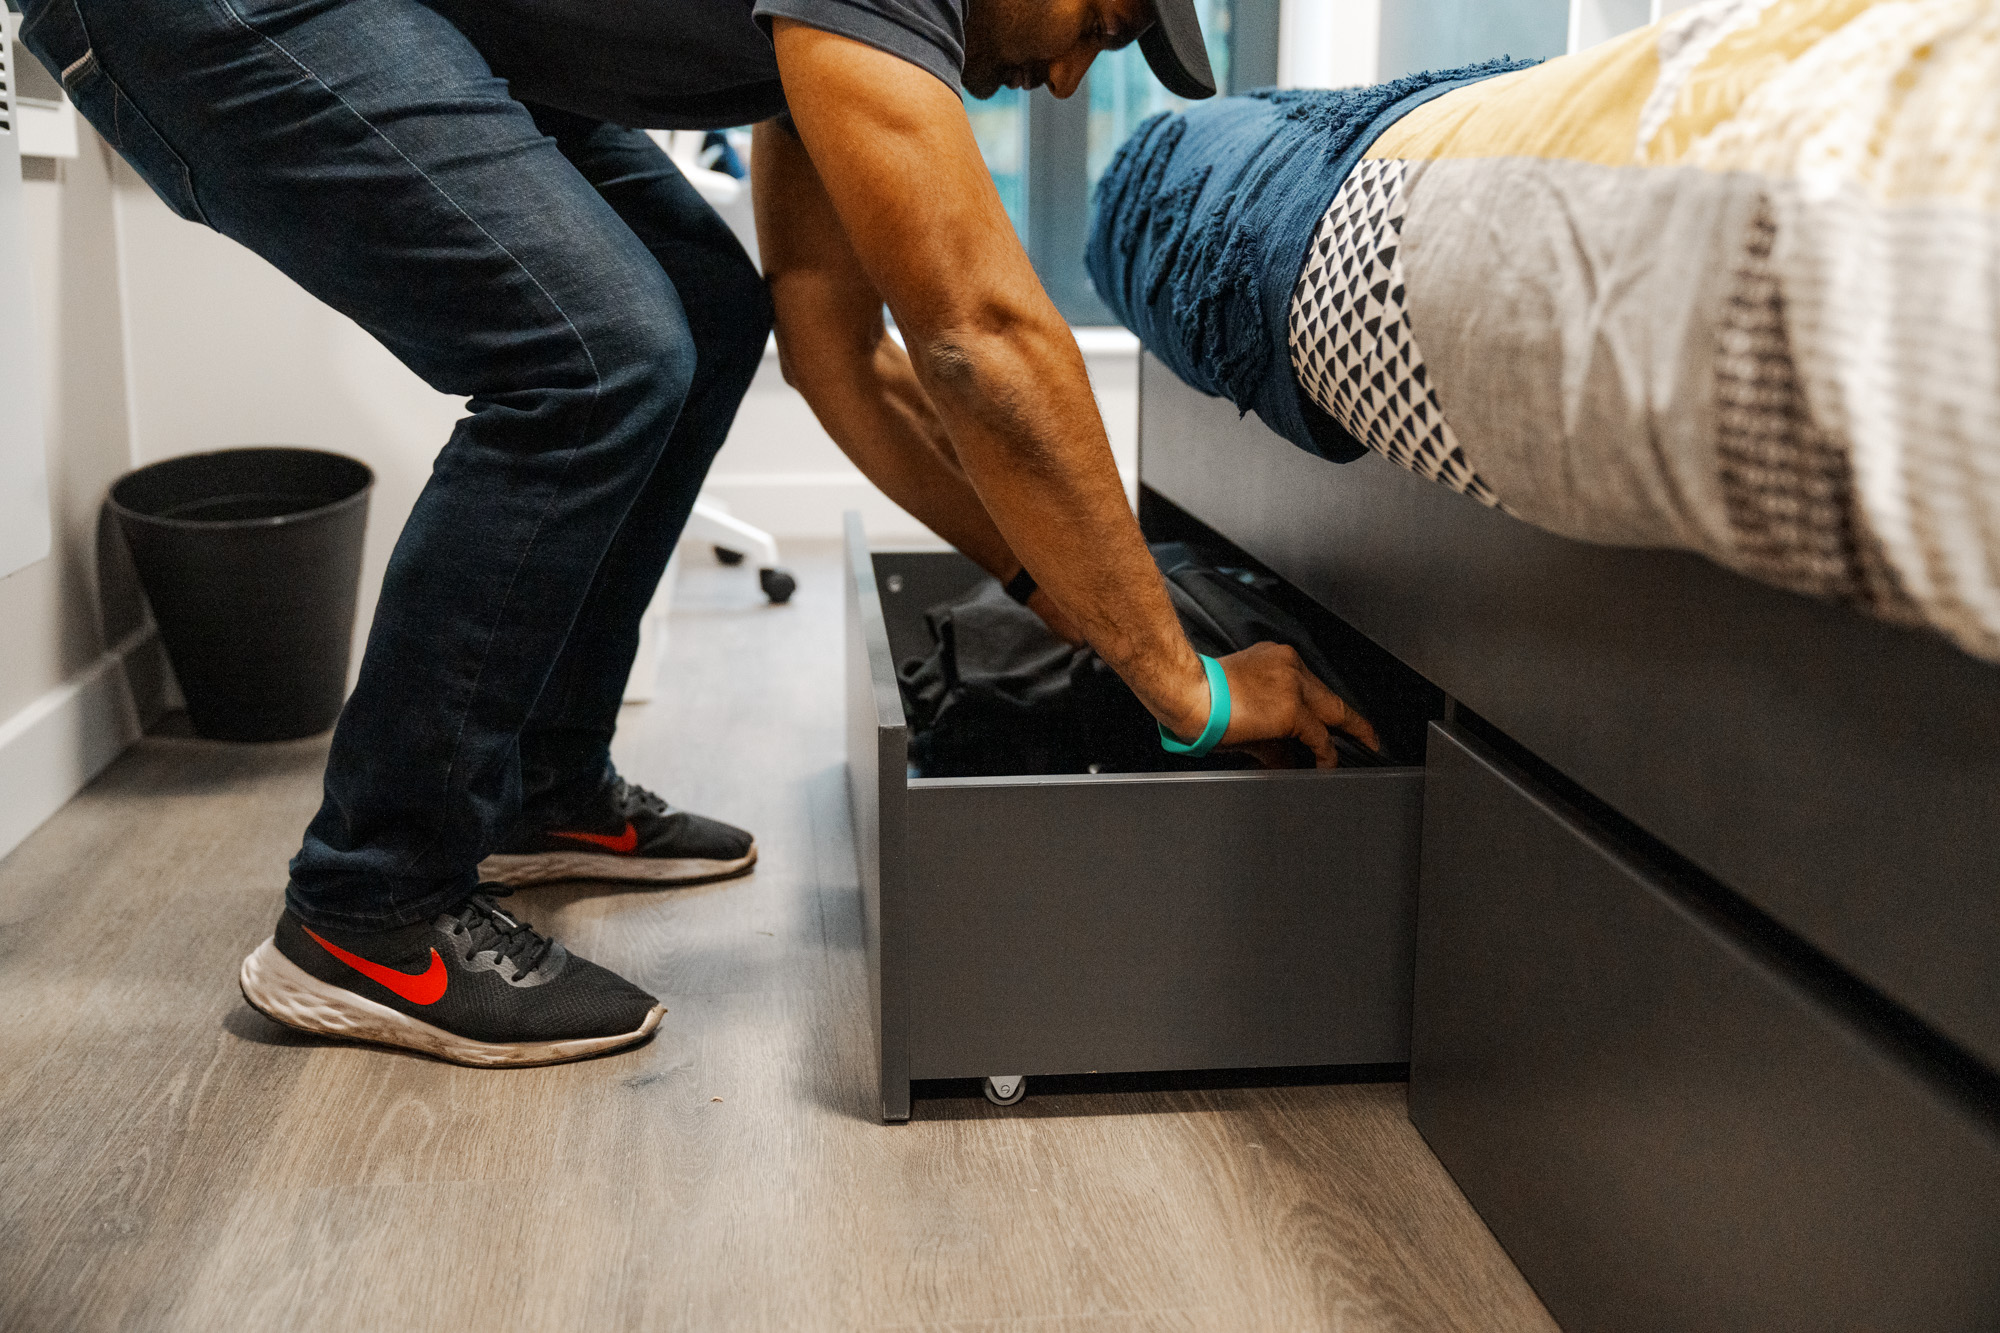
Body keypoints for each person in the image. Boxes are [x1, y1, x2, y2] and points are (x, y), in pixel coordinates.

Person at [20, 0, 1378, 1067]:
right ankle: (370, 906)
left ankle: (537, 783)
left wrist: (1061, 589)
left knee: (697, 308)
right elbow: (978, 332)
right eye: (1102, 23)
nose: (1076, 78)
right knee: (598, 351)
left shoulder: (845, 28)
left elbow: (836, 348)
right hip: (220, 6)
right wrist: (1180, 683)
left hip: (403, 11)